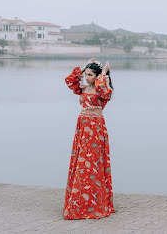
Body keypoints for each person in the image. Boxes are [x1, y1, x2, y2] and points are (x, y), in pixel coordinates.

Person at [63, 58, 115, 219]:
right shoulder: (83, 88)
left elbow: (102, 88)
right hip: (83, 126)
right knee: (81, 161)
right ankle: (79, 199)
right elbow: (70, 81)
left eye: (90, 75)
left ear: (98, 76)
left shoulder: (104, 90)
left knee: (92, 163)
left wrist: (104, 73)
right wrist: (85, 66)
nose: (87, 77)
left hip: (95, 127)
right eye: (86, 74)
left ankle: (94, 202)